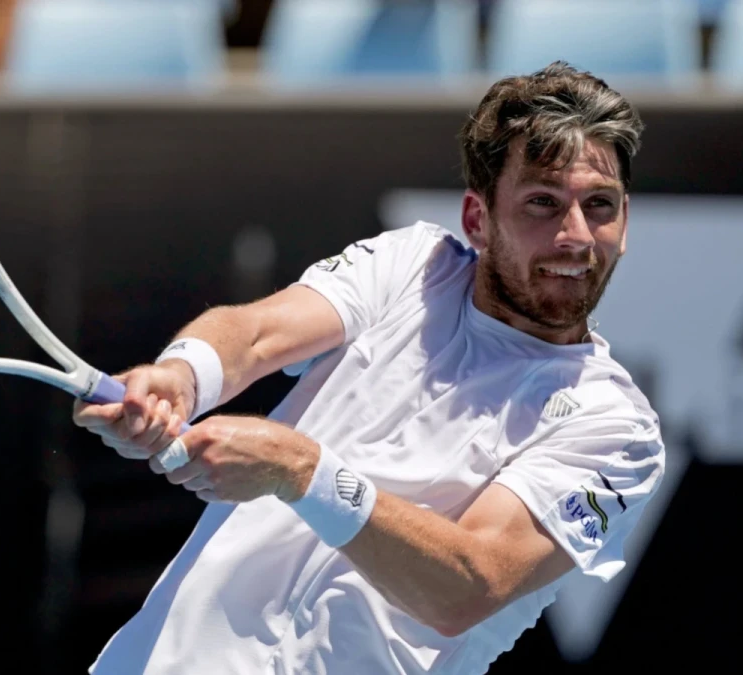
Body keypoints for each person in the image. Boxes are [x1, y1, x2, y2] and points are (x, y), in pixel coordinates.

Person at [73, 61, 666, 675]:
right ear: (476, 220)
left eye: (600, 205)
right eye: (542, 202)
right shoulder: (412, 264)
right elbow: (253, 334)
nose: (575, 235)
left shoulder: (617, 429)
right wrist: (181, 377)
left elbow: (471, 584)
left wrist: (299, 468)